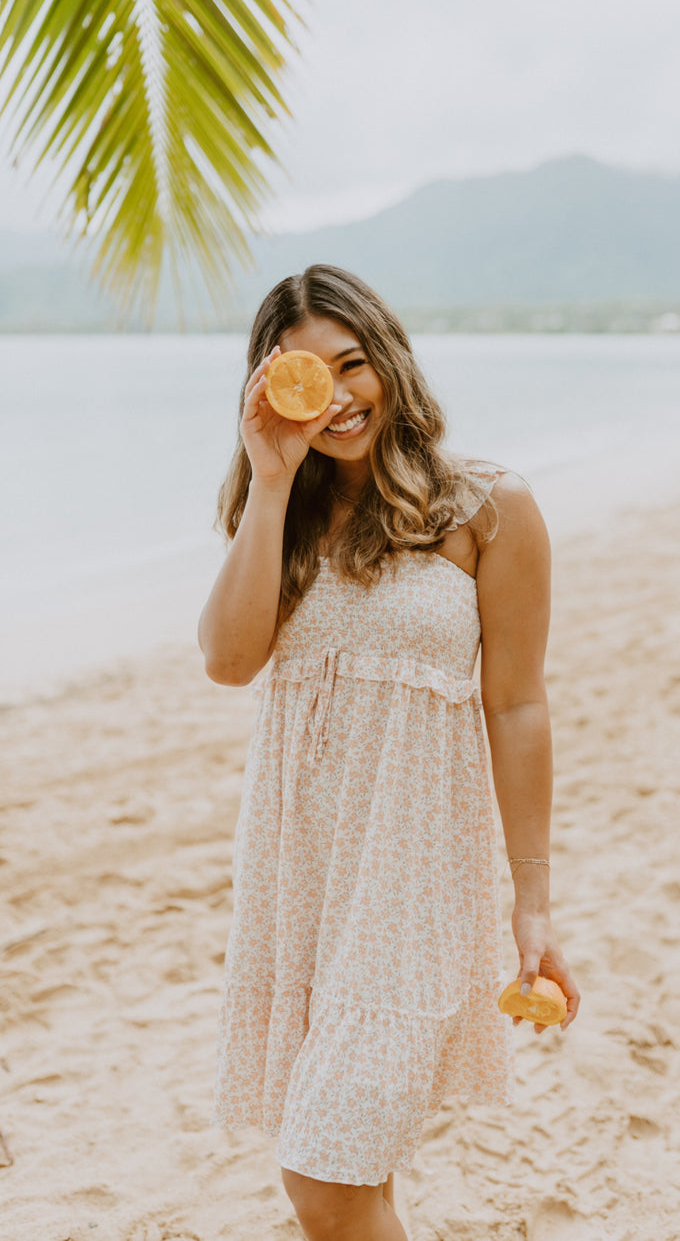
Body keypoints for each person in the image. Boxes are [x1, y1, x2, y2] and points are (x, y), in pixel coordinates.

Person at [199, 264, 579, 1241]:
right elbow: (228, 659)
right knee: (351, 1176)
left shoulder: (487, 508)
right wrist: (270, 478)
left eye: (352, 363)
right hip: (299, 884)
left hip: (412, 890)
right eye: (305, 374)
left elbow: (518, 703)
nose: (335, 393)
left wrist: (529, 898)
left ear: (390, 361)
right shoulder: (278, 517)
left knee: (322, 1178)